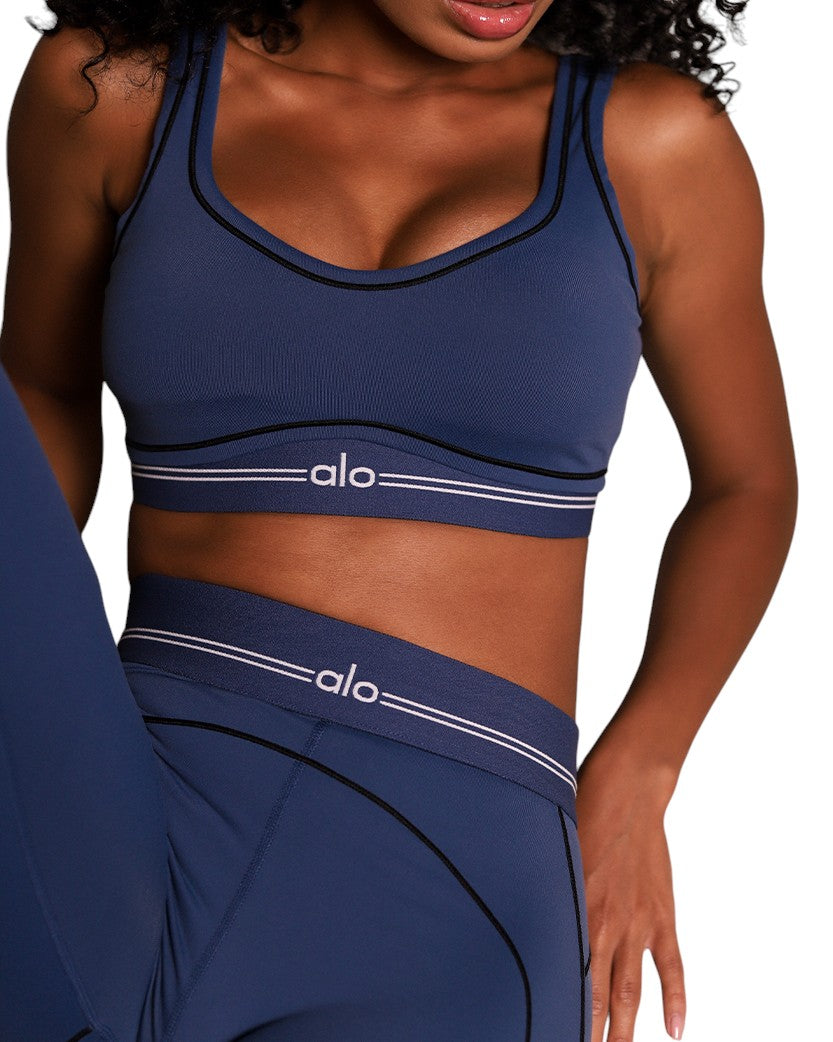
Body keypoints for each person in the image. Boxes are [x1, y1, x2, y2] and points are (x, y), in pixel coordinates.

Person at [0, 2, 797, 1041]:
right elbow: (42, 393)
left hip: (459, 878)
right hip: (130, 799)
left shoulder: (648, 141)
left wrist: (639, 772)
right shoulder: (117, 93)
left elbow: (747, 483)